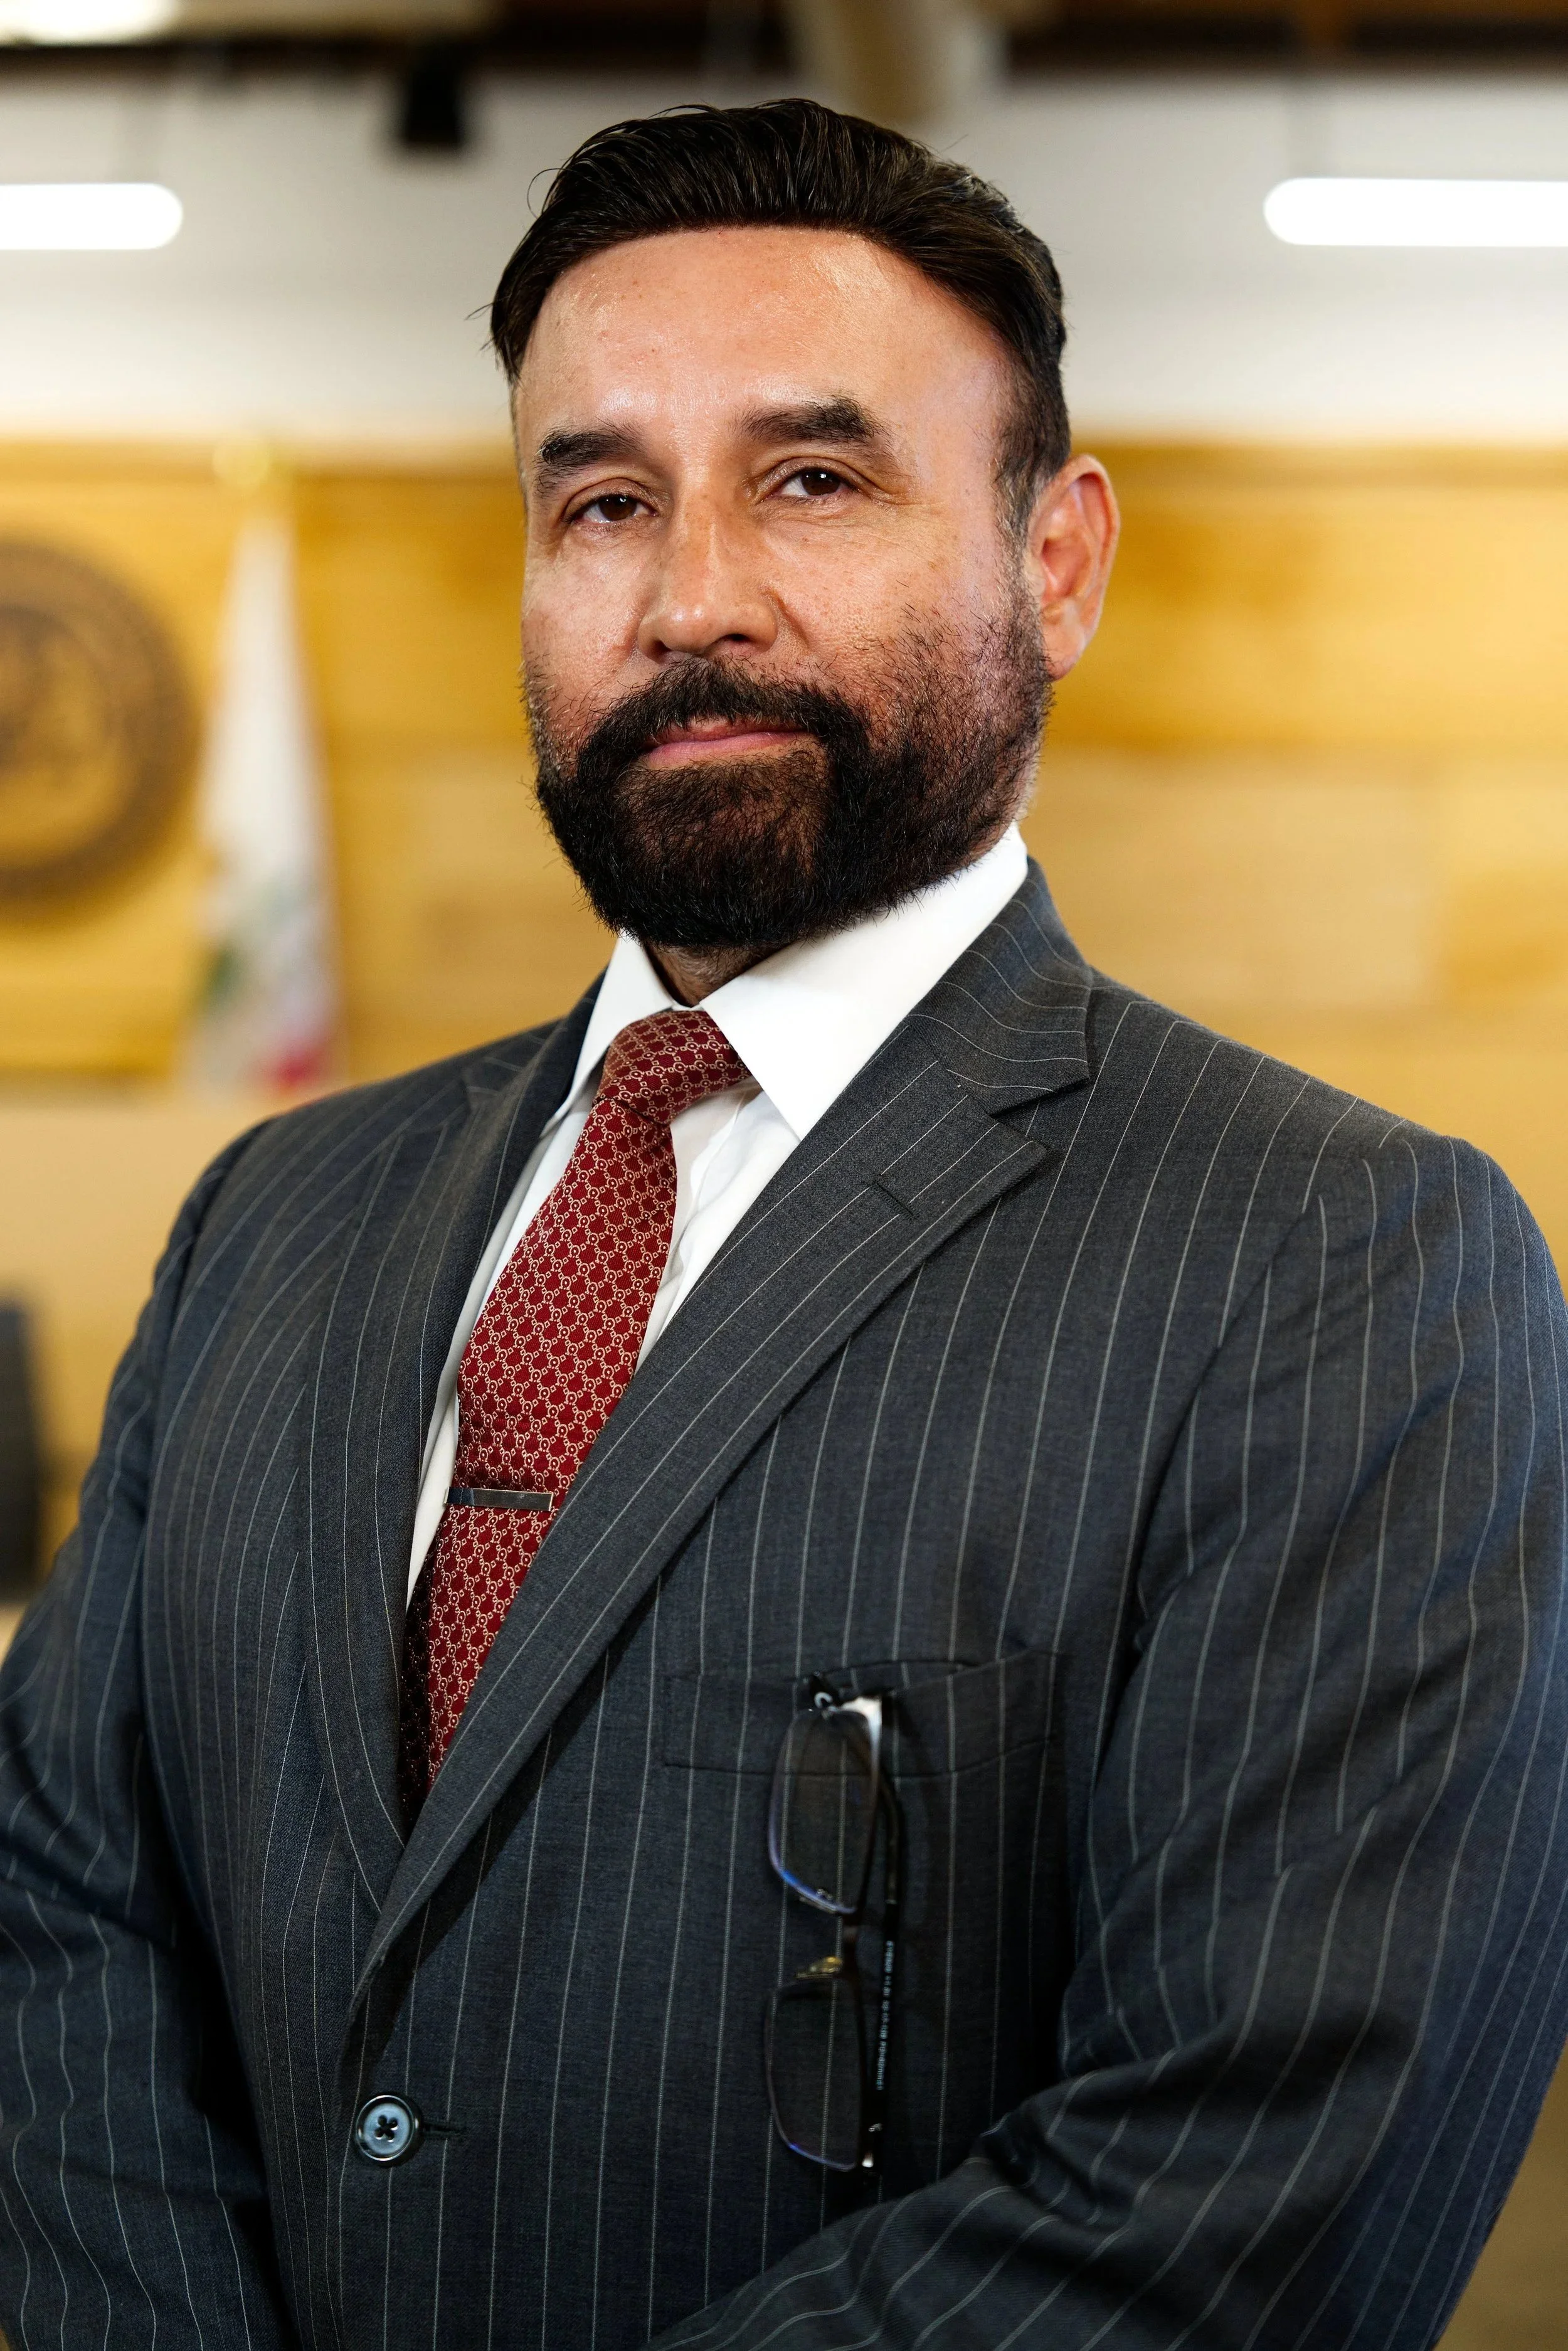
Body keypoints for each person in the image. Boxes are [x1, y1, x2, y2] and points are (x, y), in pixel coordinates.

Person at [0, 97, 1564, 2351]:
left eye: (812, 479)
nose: (689, 592)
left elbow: (1251, 2187)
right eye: (602, 499)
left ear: (1059, 561)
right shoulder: (280, 1212)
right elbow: (62, 1920)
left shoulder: (1338, 1261)